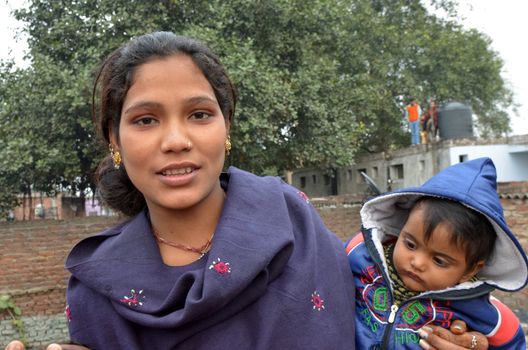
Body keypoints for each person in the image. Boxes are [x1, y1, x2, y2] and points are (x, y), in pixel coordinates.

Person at [5, 32, 488, 350]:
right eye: (146, 119)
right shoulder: (97, 285)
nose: (177, 140)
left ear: (226, 127)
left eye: (199, 114)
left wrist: (456, 340)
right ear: (115, 140)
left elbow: (384, 326)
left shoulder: (294, 225)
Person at [346, 157, 528, 349]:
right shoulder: (361, 256)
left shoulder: (477, 307)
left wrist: (474, 342)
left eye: (439, 261)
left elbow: (513, 342)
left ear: (470, 271)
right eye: (410, 244)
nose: (417, 262)